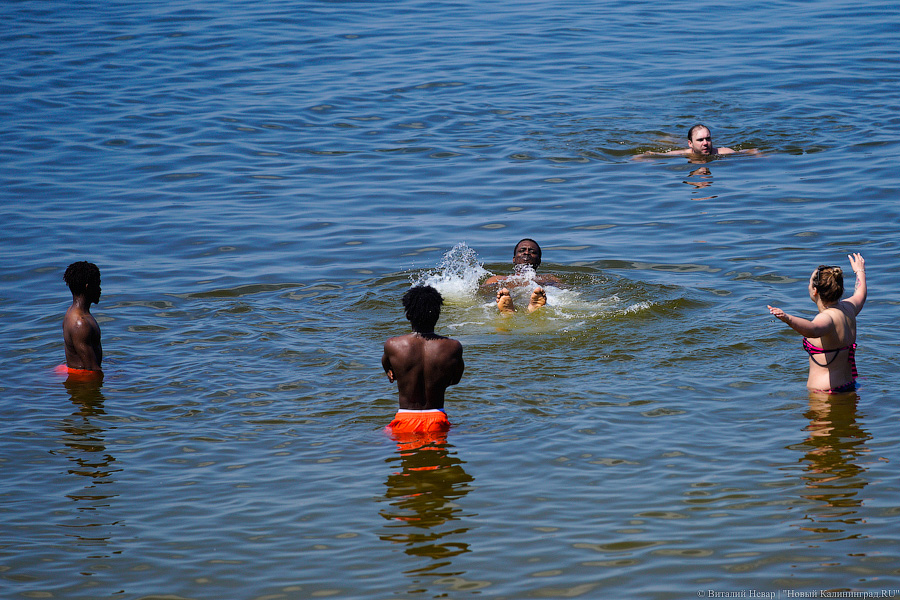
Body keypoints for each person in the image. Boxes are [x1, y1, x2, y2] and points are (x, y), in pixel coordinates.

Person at [767, 254, 866, 393]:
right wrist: (860, 271)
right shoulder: (849, 308)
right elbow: (861, 293)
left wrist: (787, 318)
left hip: (825, 394)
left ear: (815, 291)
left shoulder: (827, 318)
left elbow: (813, 330)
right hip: (850, 386)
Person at [382, 286, 464, 436]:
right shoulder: (453, 347)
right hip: (437, 420)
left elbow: (389, 372)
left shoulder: (392, 345)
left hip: (404, 419)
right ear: (437, 315)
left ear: (408, 315)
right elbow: (455, 380)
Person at [481, 238, 557, 313]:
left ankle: (511, 312)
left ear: (539, 260)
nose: (526, 253)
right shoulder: (497, 279)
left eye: (532, 252)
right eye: (522, 250)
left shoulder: (548, 279)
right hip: (513, 297)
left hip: (534, 297)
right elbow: (483, 292)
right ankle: (509, 309)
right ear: (514, 259)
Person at [59, 261, 103, 376]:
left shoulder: (71, 312)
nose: (100, 289)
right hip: (84, 383)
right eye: (97, 284)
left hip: (79, 376)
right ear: (88, 287)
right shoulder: (81, 323)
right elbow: (92, 369)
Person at [636, 124, 756, 160]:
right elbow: (655, 154)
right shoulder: (684, 153)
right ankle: (668, 137)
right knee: (668, 142)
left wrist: (756, 153)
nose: (705, 143)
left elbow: (746, 151)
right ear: (690, 143)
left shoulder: (722, 152)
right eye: (700, 140)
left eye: (708, 139)